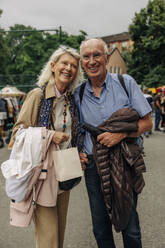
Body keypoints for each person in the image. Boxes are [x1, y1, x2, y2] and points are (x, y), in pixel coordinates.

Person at [74, 38, 152, 248]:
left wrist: (120, 135)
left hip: (125, 161)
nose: (92, 61)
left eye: (97, 55)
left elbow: (147, 123)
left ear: (107, 58)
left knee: (130, 225)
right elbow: (76, 131)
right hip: (93, 166)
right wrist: (78, 152)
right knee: (100, 227)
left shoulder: (126, 83)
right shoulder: (78, 94)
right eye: (86, 56)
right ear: (82, 62)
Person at [8, 46, 83, 248]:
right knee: (48, 238)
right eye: (64, 63)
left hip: (64, 173)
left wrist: (79, 153)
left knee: (59, 233)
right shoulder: (37, 96)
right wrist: (49, 135)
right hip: (42, 176)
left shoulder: (71, 99)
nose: (69, 68)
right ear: (52, 66)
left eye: (74, 66)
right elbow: (16, 137)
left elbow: (73, 135)